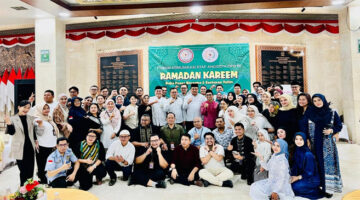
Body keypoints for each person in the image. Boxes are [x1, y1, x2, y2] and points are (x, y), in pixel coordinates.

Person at [300, 94, 343, 197]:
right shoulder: (310, 113)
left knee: (327, 166)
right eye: (314, 101)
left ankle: (328, 188)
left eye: (319, 100)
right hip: (314, 144)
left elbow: (339, 125)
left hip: (328, 146)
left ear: (323, 100)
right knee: (315, 164)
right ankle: (318, 186)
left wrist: (332, 130)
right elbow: (304, 126)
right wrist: (306, 139)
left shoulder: (332, 113)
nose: (317, 102)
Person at [5, 100, 37, 186]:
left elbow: (33, 131)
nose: (26, 109)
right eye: (24, 107)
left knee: (30, 170)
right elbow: (11, 133)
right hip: (19, 148)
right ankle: (23, 189)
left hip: (30, 147)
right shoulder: (12, 119)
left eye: (28, 108)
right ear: (19, 107)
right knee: (23, 171)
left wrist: (36, 140)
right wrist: (8, 123)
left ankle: (30, 189)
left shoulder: (30, 118)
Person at [290, 132, 323, 199]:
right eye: (296, 139)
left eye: (301, 139)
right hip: (302, 177)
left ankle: (314, 190)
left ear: (304, 140)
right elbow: (295, 167)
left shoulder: (308, 154)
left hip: (312, 179)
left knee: (294, 187)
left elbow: (309, 173)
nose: (298, 141)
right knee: (288, 184)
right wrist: (291, 176)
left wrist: (297, 178)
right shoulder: (297, 150)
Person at [33, 103, 60, 184]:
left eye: (47, 108)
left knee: (50, 163)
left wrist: (56, 142)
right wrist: (40, 125)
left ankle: (49, 178)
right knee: (42, 164)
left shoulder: (48, 118)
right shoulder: (37, 119)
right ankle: (43, 180)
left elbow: (53, 132)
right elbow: (39, 133)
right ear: (40, 110)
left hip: (51, 145)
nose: (46, 110)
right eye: (44, 108)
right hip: (42, 145)